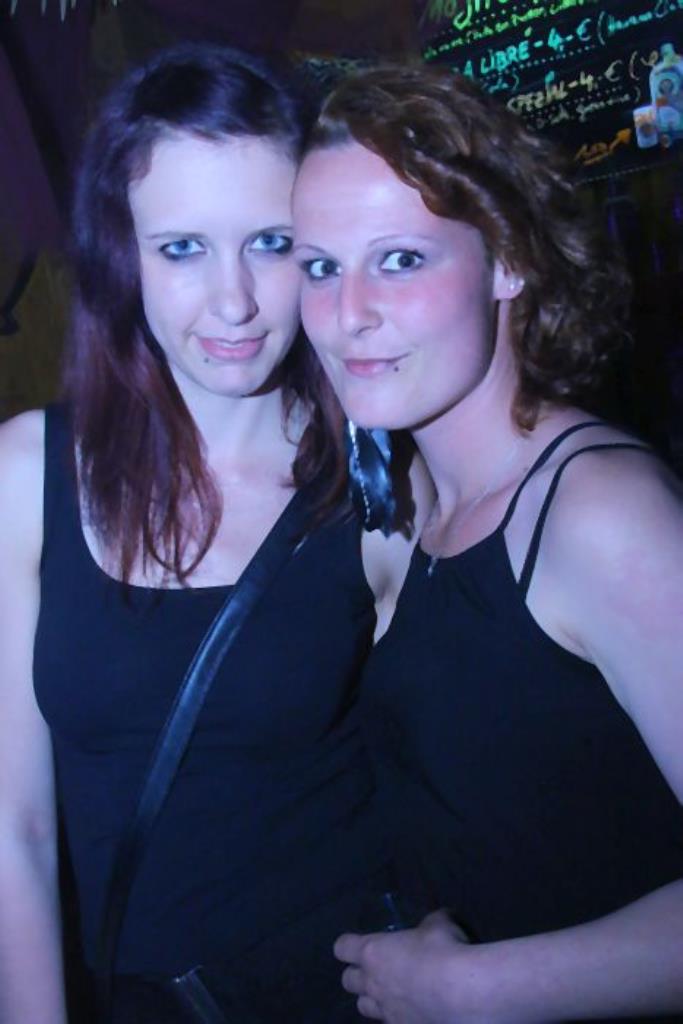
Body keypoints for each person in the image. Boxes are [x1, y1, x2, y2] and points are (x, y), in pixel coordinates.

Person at [0, 45, 429, 1024]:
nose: (232, 300)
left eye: (270, 243)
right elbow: (11, 827)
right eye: (182, 248)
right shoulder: (25, 475)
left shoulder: (378, 480)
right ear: (124, 256)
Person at [292, 64, 683, 1023]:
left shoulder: (598, 513)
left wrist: (472, 987)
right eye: (318, 267)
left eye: (397, 260)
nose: (346, 316)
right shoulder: (419, 505)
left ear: (507, 256)